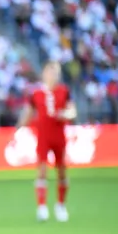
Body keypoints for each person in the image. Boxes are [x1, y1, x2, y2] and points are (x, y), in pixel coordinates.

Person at [16, 61, 77, 222]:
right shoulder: (36, 93)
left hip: (59, 135)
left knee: (61, 170)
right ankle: (42, 207)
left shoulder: (64, 91)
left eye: (55, 72)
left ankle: (60, 205)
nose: (52, 75)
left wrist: (65, 114)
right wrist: (18, 128)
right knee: (42, 169)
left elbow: (72, 111)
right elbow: (28, 113)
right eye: (50, 72)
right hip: (43, 136)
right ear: (44, 74)